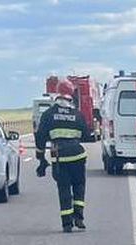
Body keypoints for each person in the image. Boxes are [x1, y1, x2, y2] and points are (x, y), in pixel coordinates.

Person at [35, 78, 90, 233]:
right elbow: (86, 135)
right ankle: (79, 218)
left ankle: (67, 223)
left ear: (56, 96)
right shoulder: (78, 115)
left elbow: (40, 137)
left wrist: (41, 159)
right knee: (79, 187)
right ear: (71, 96)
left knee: (64, 189)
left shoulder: (48, 114)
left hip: (60, 158)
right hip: (78, 156)